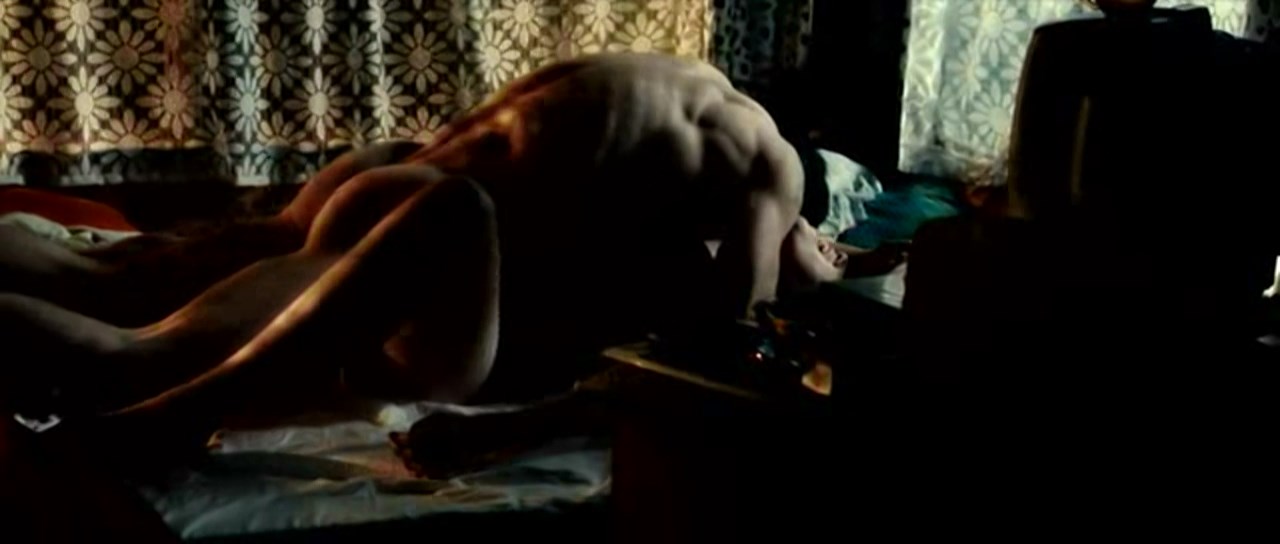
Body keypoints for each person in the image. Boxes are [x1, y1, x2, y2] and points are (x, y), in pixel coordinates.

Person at [0, 53, 902, 449]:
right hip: (428, 218)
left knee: (113, 274)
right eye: (825, 245)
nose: (822, 256)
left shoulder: (680, 87)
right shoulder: (775, 169)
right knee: (140, 353)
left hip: (393, 171)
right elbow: (723, 354)